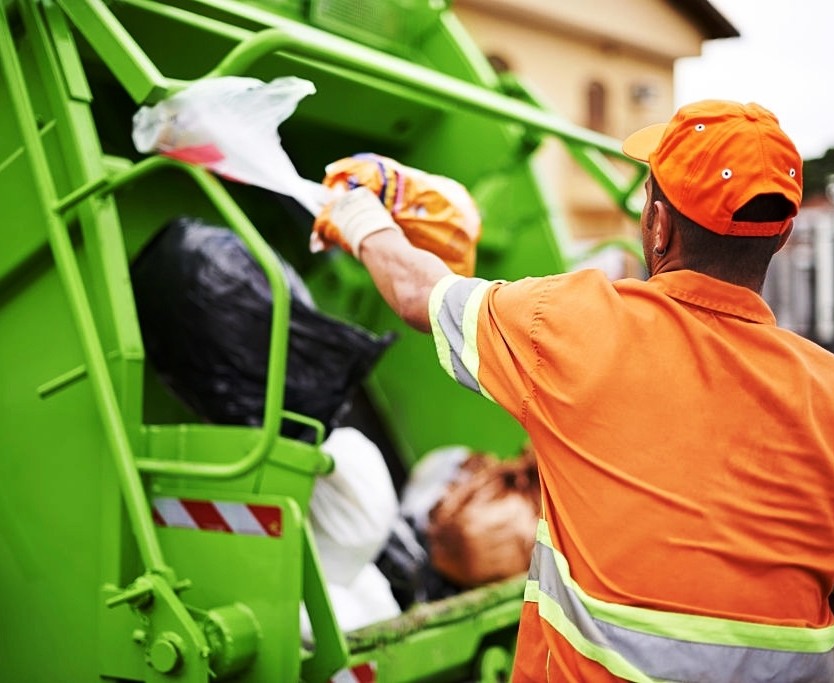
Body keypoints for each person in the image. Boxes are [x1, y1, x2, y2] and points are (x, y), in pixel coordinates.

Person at [312, 100, 834, 681]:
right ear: (782, 236)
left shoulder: (572, 324)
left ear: (659, 226)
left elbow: (418, 294)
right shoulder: (826, 392)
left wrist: (359, 215)